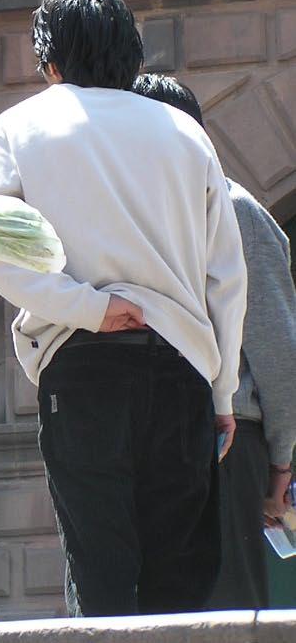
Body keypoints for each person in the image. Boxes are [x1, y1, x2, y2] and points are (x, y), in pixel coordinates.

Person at [0, 0, 247, 616]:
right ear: (131, 53)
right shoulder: (184, 132)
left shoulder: (20, 127)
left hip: (81, 364)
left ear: (49, 60)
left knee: (100, 576)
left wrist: (83, 307)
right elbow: (227, 277)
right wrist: (223, 393)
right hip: (181, 366)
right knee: (182, 584)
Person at [132, 73, 296, 609]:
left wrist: (279, 464)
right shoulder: (133, 215)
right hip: (172, 437)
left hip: (225, 441)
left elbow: (278, 355)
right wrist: (280, 466)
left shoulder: (234, 211)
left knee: (222, 611)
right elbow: (279, 356)